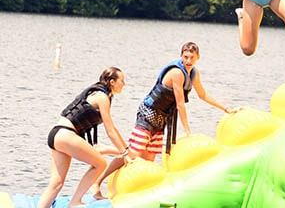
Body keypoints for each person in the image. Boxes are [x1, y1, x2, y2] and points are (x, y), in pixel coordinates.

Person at [91, 42, 237, 198]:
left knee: (149, 158)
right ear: (181, 56)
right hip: (148, 113)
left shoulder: (194, 73)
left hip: (161, 119)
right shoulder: (176, 73)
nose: (188, 61)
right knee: (132, 153)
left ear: (198, 58)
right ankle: (97, 183)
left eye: (192, 58)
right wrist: (188, 132)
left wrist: (226, 109)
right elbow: (180, 103)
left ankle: (138, 194)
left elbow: (203, 95)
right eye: (185, 57)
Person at [38, 67, 128, 208]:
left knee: (56, 183)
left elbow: (98, 148)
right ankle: (75, 201)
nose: (124, 84)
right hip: (66, 134)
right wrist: (125, 152)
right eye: (122, 80)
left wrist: (124, 151)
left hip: (56, 134)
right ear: (112, 82)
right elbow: (111, 130)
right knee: (101, 164)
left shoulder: (97, 93)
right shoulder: (102, 97)